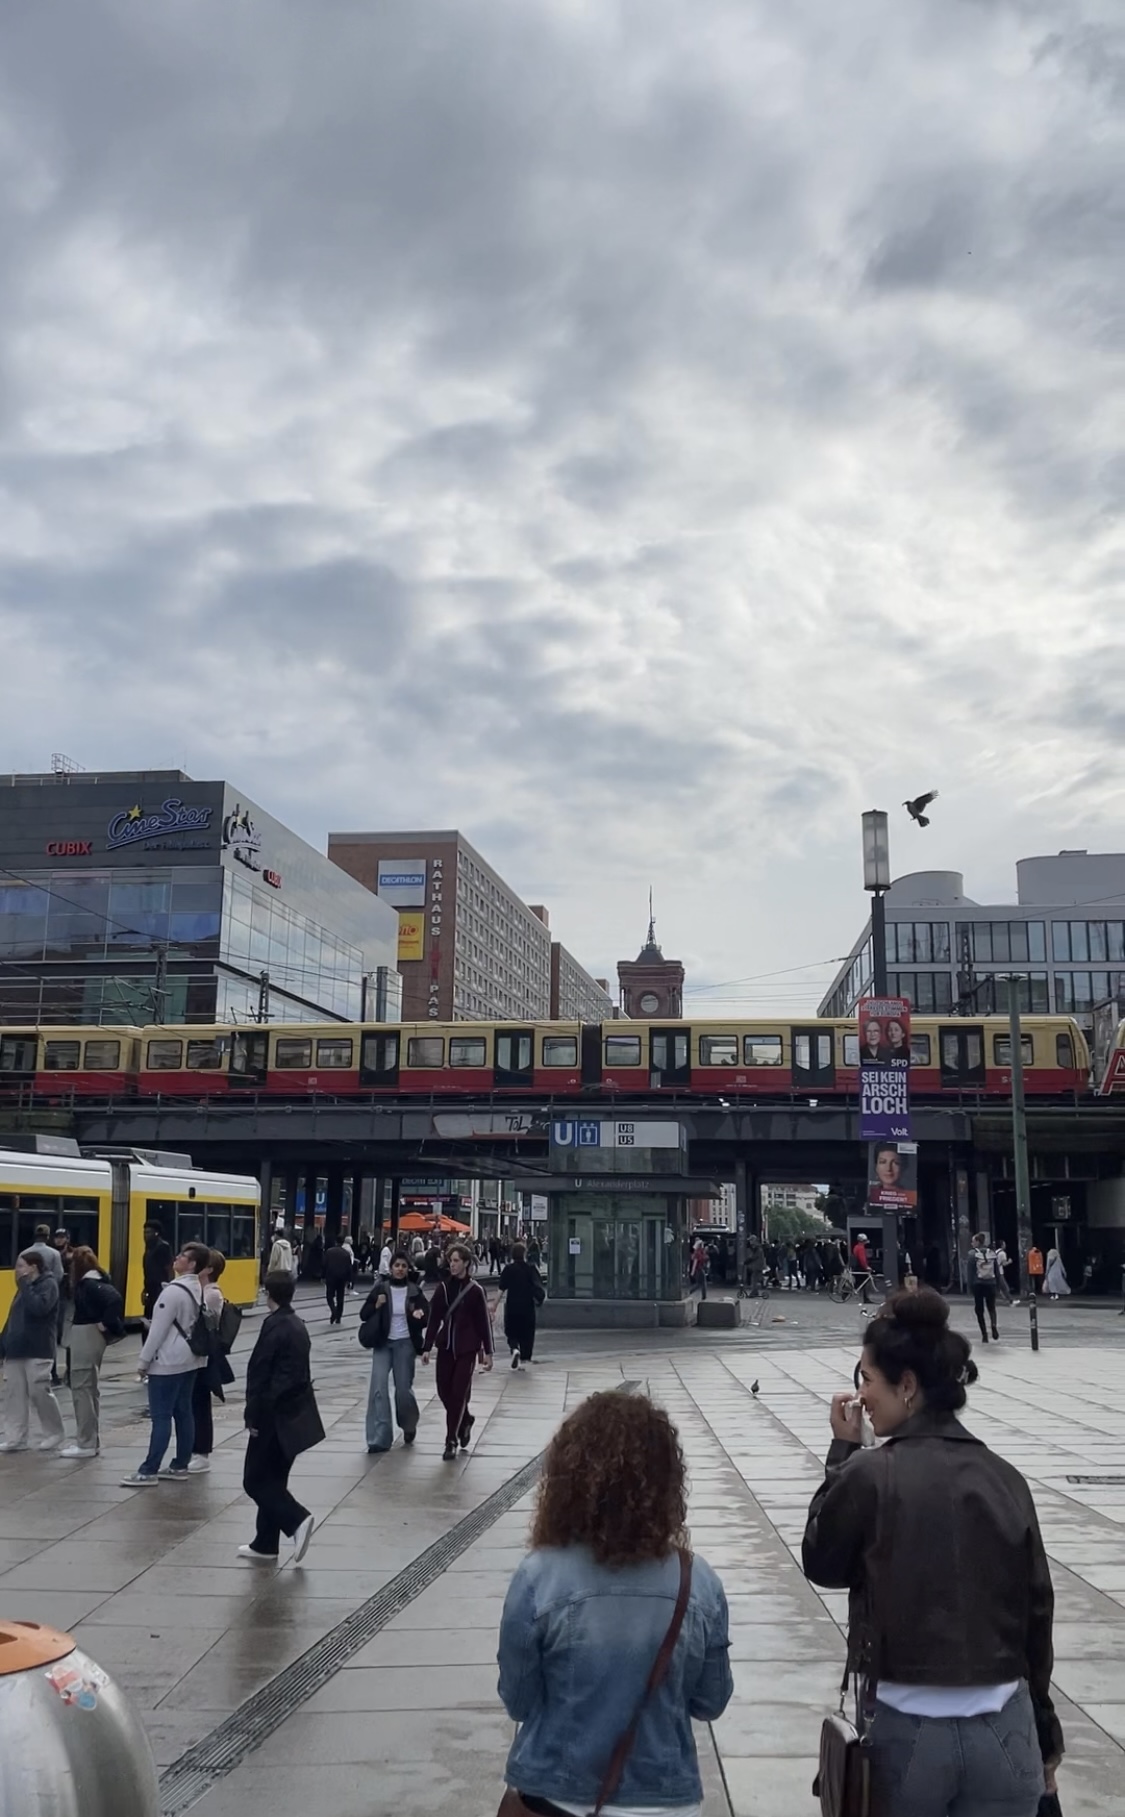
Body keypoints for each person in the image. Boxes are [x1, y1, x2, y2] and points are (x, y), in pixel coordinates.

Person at [802, 1288, 1062, 1816]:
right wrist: (1046, 1738)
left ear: (908, 1385)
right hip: (1006, 1731)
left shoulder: (871, 1474)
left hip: (907, 1727)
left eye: (867, 1380)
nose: (861, 1398)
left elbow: (822, 1561)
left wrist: (843, 1451)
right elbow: (1038, 1612)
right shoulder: (1005, 1478)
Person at [497, 1390, 733, 1814]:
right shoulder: (696, 1581)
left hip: (558, 1796)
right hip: (665, 1799)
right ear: (666, 1484)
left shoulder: (540, 1576)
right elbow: (710, 1702)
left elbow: (519, 1700)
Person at [239, 1271, 321, 1563]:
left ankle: (297, 1519)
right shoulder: (296, 1323)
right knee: (273, 1478)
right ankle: (265, 1543)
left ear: (267, 1293)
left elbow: (261, 1373)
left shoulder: (274, 1326)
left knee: (255, 1480)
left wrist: (253, 1414)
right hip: (292, 1416)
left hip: (272, 1416)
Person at [121, 1240, 210, 1486]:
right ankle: (180, 1464)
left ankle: (149, 1469)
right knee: (184, 1412)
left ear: (191, 1264)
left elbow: (158, 1331)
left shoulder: (172, 1291)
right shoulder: (198, 1288)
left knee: (161, 1416)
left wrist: (142, 1362)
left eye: (183, 1256)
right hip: (191, 1359)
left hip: (168, 1361)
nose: (177, 1258)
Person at [422, 1242, 493, 1460]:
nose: (452, 1265)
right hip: (445, 1347)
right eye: (450, 1261)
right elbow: (434, 1318)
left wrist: (488, 1352)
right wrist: (426, 1347)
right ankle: (465, 1419)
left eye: (456, 1261)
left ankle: (450, 1440)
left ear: (466, 1263)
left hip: (466, 1349)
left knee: (458, 1393)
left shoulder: (475, 1291)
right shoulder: (443, 1288)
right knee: (444, 1392)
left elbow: (484, 1323)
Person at [61, 1245, 124, 1457]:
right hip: (89, 1336)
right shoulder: (97, 1280)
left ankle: (85, 1443)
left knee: (82, 1389)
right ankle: (89, 1441)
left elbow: (114, 1299)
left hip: (85, 1336)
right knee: (88, 1389)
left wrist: (106, 1323)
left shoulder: (88, 1284)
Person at [360, 1251, 427, 1452]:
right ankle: (379, 1439)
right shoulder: (381, 1289)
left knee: (403, 1391)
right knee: (378, 1389)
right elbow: (364, 1314)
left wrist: (418, 1315)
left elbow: (426, 1316)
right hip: (383, 1343)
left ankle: (408, 1425)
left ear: (408, 1269)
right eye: (396, 1265)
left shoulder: (415, 1291)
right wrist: (376, 1304)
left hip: (405, 1344)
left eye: (403, 1266)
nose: (399, 1269)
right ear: (390, 1268)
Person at [0, 1251, 64, 1453]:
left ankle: (54, 1433)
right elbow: (13, 1318)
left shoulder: (48, 1285)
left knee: (39, 1392)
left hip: (38, 1348)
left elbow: (40, 1308)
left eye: (20, 1266)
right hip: (16, 1349)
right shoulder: (22, 1289)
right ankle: (15, 1438)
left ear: (33, 1267)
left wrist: (25, 1285)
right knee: (14, 1395)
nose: (16, 1270)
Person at [188, 1249, 232, 1474]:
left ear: (209, 1269)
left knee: (199, 1402)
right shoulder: (200, 1290)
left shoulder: (212, 1293)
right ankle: (193, 1449)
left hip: (204, 1356)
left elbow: (205, 1324)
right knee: (192, 1402)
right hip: (194, 1355)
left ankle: (201, 1452)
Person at [497, 1240, 546, 1370]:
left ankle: (514, 1349)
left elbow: (501, 1289)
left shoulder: (508, 1269)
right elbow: (538, 1287)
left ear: (512, 1255)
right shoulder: (530, 1269)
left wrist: (493, 1306)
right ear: (525, 1254)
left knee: (511, 1332)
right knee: (527, 1334)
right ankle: (524, 1360)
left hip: (512, 1307)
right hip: (527, 1307)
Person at [968, 1232, 1001, 1343]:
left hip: (978, 1284)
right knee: (991, 1307)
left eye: (973, 1241)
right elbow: (997, 1272)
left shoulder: (972, 1254)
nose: (972, 1243)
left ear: (978, 1242)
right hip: (991, 1283)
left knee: (979, 1309)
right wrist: (999, 1285)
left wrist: (969, 1287)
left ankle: (984, 1334)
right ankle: (993, 1325)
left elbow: (970, 1272)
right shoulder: (991, 1253)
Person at [142, 1220, 174, 1321]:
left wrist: (169, 1288)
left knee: (157, 1316)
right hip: (150, 1288)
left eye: (148, 1232)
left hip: (160, 1288)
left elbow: (169, 1268)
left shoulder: (163, 1247)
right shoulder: (149, 1247)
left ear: (156, 1233)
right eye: (144, 1232)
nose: (145, 1235)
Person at [322, 1236, 353, 1326]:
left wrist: (323, 1276)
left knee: (329, 1296)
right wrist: (349, 1280)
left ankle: (333, 1310)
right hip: (342, 1278)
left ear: (335, 1242)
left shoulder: (329, 1252)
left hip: (331, 1277)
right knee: (340, 1297)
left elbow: (324, 1264)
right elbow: (349, 1268)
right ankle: (338, 1317)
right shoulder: (346, 1254)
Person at [852, 1232, 874, 1305]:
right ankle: (866, 1299)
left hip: (856, 1266)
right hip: (860, 1267)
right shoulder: (861, 1248)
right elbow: (862, 1259)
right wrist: (866, 1267)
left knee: (859, 1282)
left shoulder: (856, 1247)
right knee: (863, 1282)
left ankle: (847, 1293)